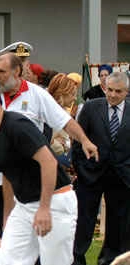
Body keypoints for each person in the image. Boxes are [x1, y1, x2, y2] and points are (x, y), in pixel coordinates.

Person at [0, 53, 98, 244]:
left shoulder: (37, 94)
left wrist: (84, 140)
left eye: (2, 71)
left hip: (30, 180)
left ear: (17, 71)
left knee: (33, 237)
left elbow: (64, 121)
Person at [0, 78, 78, 265]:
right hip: (23, 206)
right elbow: (8, 177)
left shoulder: (17, 125)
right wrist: (8, 218)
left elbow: (48, 162)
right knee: (6, 261)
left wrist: (44, 208)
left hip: (55, 202)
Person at [72, 72, 130, 265]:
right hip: (90, 175)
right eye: (109, 90)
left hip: (122, 178)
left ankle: (110, 260)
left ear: (126, 91)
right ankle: (76, 259)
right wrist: (81, 169)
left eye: (118, 91)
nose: (113, 95)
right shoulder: (90, 108)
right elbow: (78, 140)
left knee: (118, 224)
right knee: (83, 221)